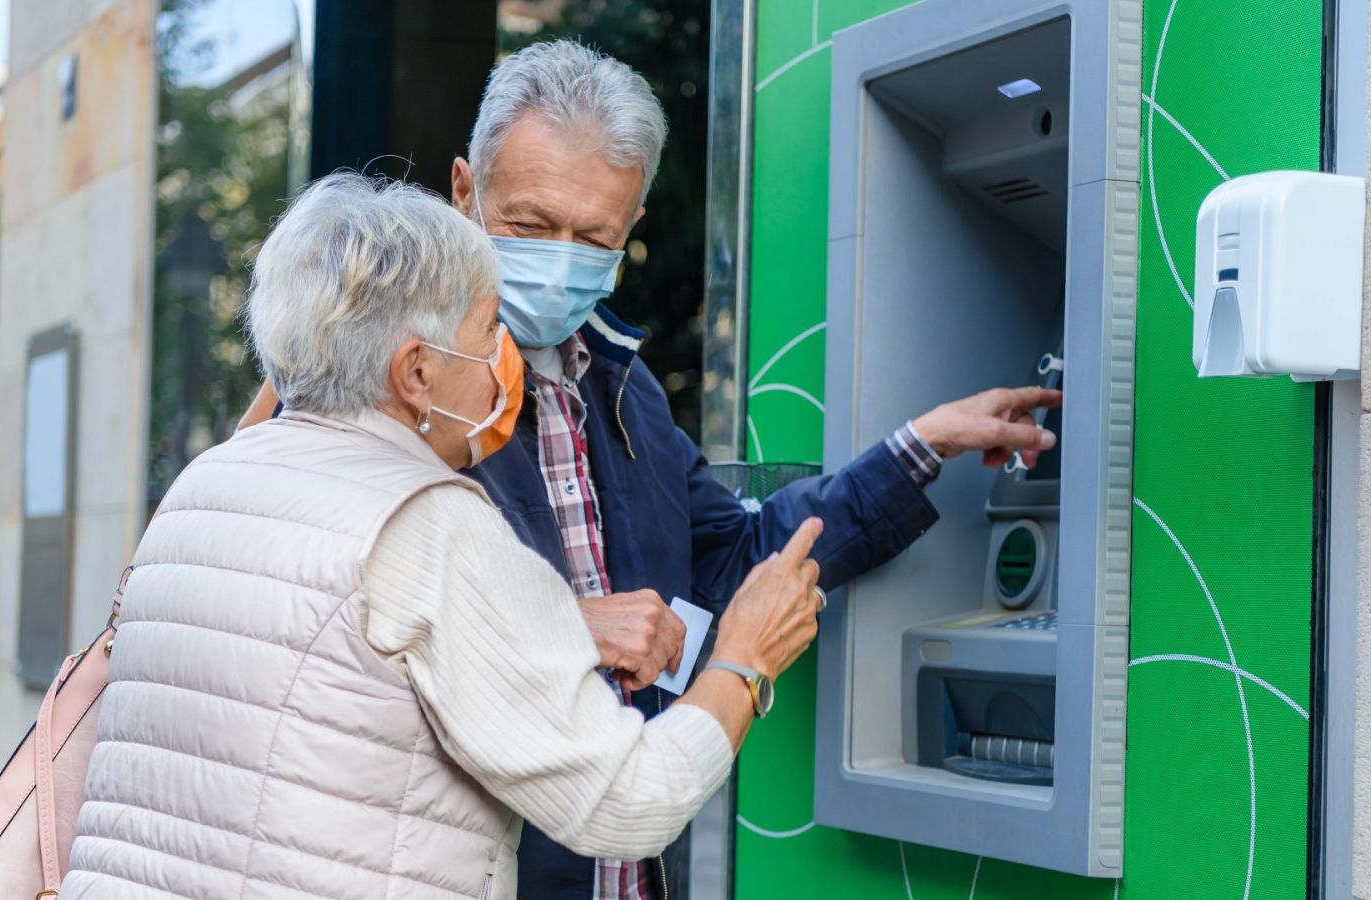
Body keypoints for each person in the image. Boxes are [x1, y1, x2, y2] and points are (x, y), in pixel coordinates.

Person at [238, 41, 1060, 899]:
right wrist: (561, 624)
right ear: (463, 191)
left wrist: (921, 447)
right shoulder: (395, 382)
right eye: (528, 225)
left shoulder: (624, 387)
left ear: (629, 231)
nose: (559, 256)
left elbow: (729, 557)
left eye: (592, 235)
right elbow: (299, 611)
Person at [62, 173, 829, 899]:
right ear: (417, 373)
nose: (507, 358)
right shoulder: (433, 523)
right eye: (490, 326)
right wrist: (745, 657)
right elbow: (627, 803)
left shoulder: (205, 486)